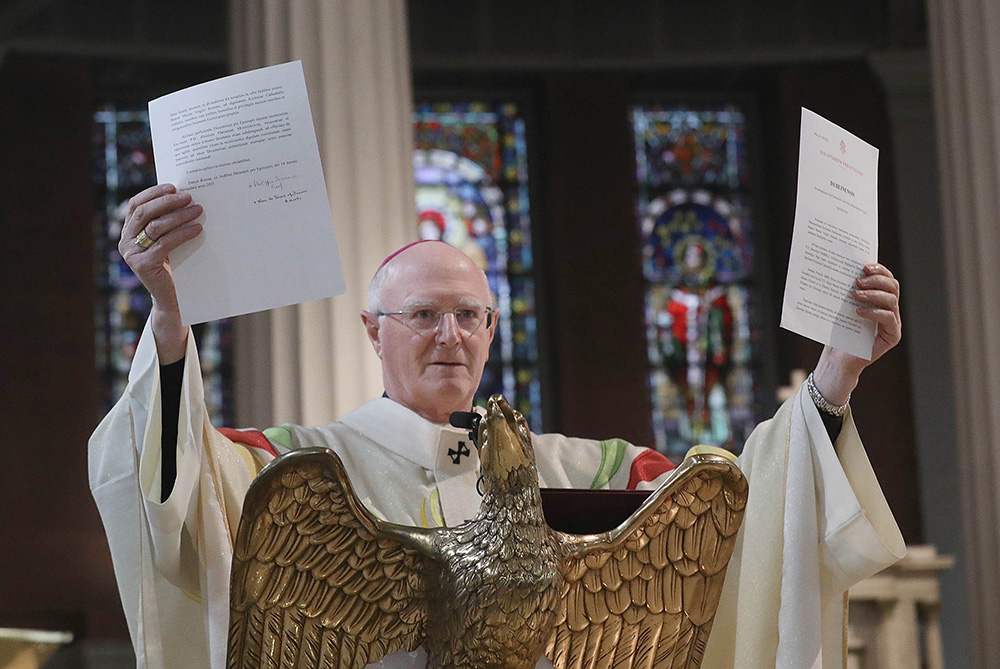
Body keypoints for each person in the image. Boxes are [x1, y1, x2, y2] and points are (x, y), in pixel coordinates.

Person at [90, 183, 905, 669]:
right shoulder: (298, 464)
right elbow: (177, 489)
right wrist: (169, 315)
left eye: (469, 316)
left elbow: (744, 516)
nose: (450, 336)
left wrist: (835, 374)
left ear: (491, 330)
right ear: (373, 331)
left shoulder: (585, 472)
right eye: (423, 314)